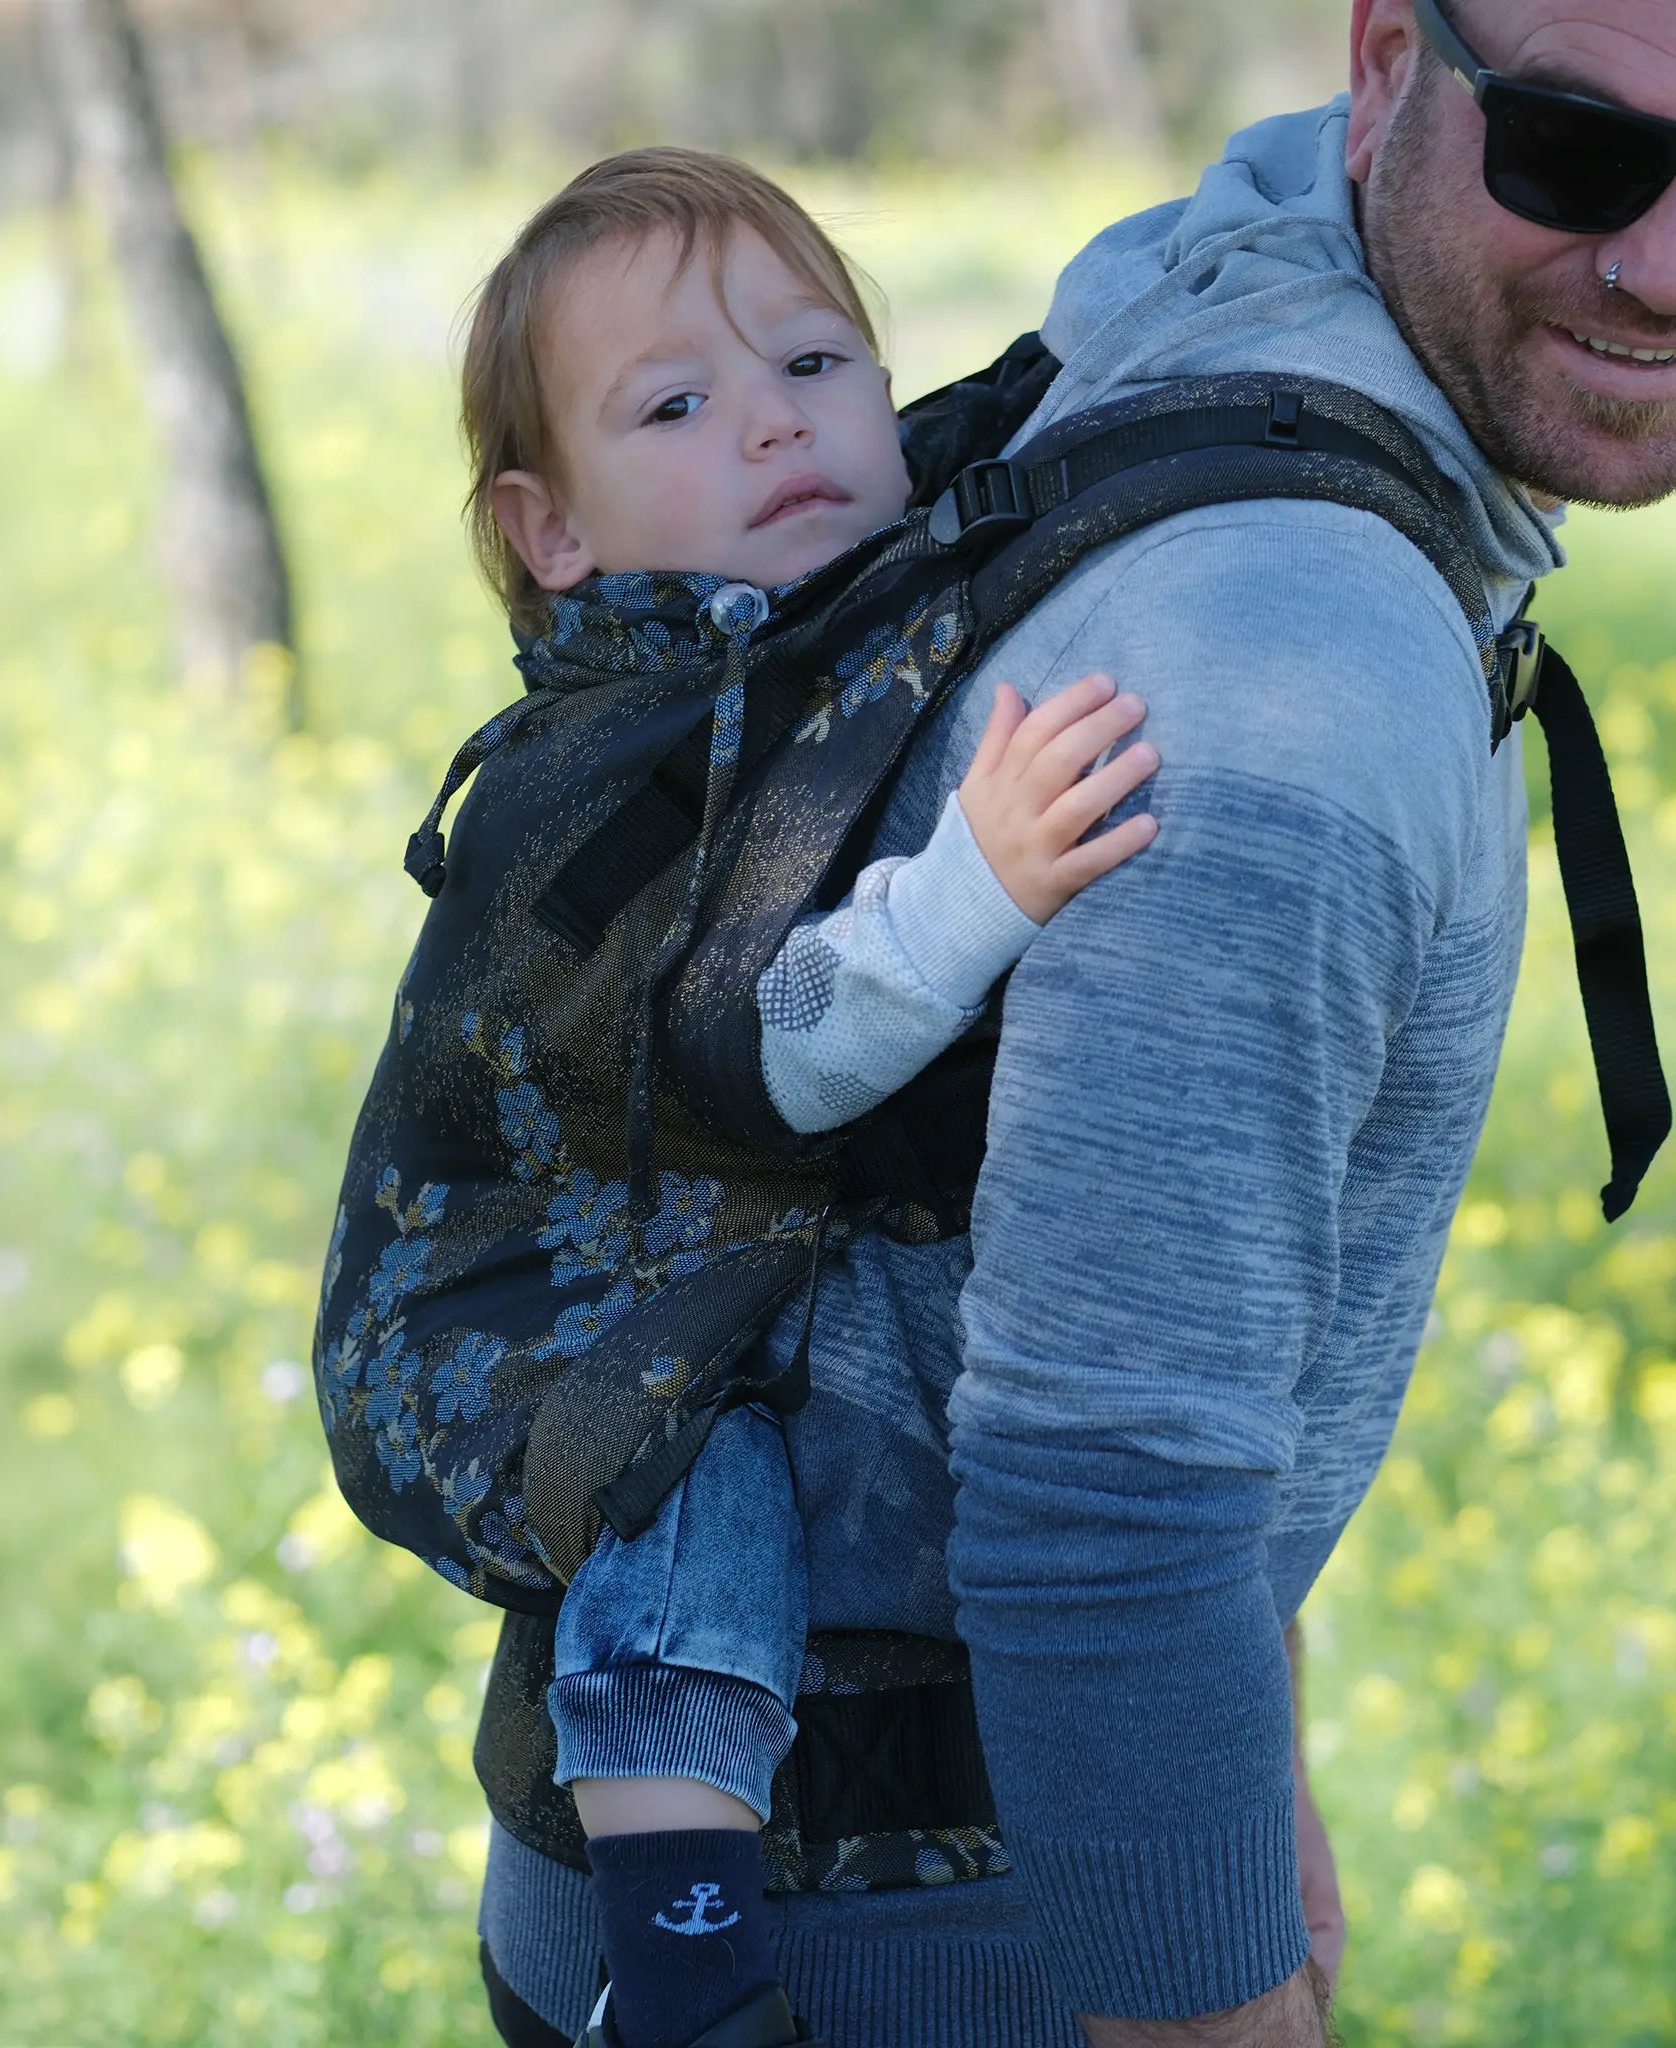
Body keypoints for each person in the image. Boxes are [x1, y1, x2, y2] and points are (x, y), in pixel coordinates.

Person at [478, 0, 1676, 2042]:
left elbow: (1082, 1251)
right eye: (1575, 153)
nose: (1660, 269)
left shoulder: (1205, 298)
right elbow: (1100, 1503)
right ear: (1385, 64)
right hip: (900, 1952)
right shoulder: (1271, 671)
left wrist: (1255, 1741)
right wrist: (1223, 2003)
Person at [457, 149, 1161, 2048]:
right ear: (550, 531)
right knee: (684, 1483)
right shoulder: (623, 762)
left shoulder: (881, 641)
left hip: (984, 1818)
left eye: (816, 360)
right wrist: (979, 890)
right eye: (677, 405)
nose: (774, 419)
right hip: (661, 1339)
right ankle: (685, 1987)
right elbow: (759, 1045)